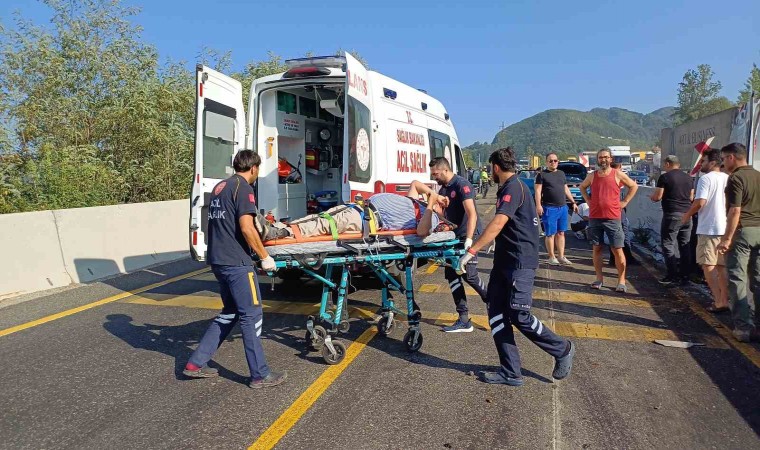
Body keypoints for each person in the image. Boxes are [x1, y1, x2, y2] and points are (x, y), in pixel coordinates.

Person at [459, 147, 575, 386]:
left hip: (520, 262)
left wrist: (472, 250)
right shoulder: (510, 186)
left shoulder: (513, 187)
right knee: (496, 311)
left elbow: (499, 221)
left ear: (495, 167)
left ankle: (562, 349)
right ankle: (511, 372)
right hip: (505, 262)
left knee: (519, 314)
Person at [183, 150, 287, 388]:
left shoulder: (220, 187)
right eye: (258, 170)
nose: (257, 174)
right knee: (251, 315)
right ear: (253, 168)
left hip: (218, 260)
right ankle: (259, 374)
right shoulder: (244, 189)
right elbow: (247, 227)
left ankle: (195, 363)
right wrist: (264, 256)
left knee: (230, 312)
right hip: (237, 264)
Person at [410, 157, 488, 332]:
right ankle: (463, 319)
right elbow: (448, 213)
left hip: (468, 235)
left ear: (445, 170)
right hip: (453, 236)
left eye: (435, 174)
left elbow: (472, 214)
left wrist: (469, 239)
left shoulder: (462, 184)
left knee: (470, 275)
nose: (434, 177)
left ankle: (492, 302)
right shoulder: (444, 188)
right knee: (452, 276)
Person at [717, 143, 760, 342]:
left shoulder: (736, 178)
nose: (723, 163)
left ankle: (743, 327)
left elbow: (735, 210)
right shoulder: (758, 175)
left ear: (732, 157)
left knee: (737, 278)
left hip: (742, 232)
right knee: (758, 280)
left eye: (724, 158)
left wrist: (727, 239)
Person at [579, 148, 639, 293]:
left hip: (613, 218)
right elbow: (582, 187)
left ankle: (622, 281)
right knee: (597, 248)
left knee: (617, 249)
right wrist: (588, 200)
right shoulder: (592, 176)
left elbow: (634, 186)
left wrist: (624, 202)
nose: (603, 160)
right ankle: (599, 279)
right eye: (600, 157)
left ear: (610, 159)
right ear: (597, 160)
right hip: (595, 218)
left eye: (606, 157)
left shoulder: (617, 174)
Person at [680, 148, 729, 313]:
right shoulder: (728, 178)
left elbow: (700, 202)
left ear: (713, 162)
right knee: (722, 267)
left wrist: (686, 215)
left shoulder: (706, 179)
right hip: (726, 228)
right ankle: (725, 298)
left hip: (709, 227)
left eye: (703, 161)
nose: (701, 164)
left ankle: (718, 300)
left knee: (707, 264)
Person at [650, 155, 694, 285]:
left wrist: (651, 197)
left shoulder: (665, 177)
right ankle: (685, 276)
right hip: (687, 214)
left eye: (665, 164)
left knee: (668, 244)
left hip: (672, 215)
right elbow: (691, 197)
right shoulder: (688, 177)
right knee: (685, 245)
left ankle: (672, 275)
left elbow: (658, 196)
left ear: (668, 164)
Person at [535, 152, 579, 265]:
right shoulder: (542, 175)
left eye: (555, 160)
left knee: (561, 233)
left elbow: (566, 189)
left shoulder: (561, 174)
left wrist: (573, 202)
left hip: (563, 207)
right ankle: (551, 257)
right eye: (550, 161)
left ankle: (561, 256)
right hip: (549, 208)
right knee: (550, 234)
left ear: (558, 161)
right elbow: (538, 191)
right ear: (546, 162)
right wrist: (538, 205)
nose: (553, 162)